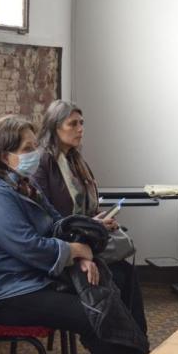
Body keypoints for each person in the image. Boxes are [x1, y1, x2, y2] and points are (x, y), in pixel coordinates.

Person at [0, 115, 145, 354]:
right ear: (2, 155)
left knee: (114, 278)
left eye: (35, 146)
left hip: (29, 277)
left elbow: (57, 221)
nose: (35, 153)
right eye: (26, 149)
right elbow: (29, 246)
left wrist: (81, 254)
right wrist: (77, 252)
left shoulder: (22, 183)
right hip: (0, 293)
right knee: (92, 312)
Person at [33, 99, 147, 332]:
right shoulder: (43, 163)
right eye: (72, 124)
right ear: (55, 127)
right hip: (62, 246)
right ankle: (123, 343)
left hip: (85, 238)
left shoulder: (75, 159)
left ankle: (136, 341)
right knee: (116, 276)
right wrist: (89, 224)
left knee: (126, 273)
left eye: (81, 123)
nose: (80, 129)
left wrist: (100, 218)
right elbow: (46, 215)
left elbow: (86, 206)